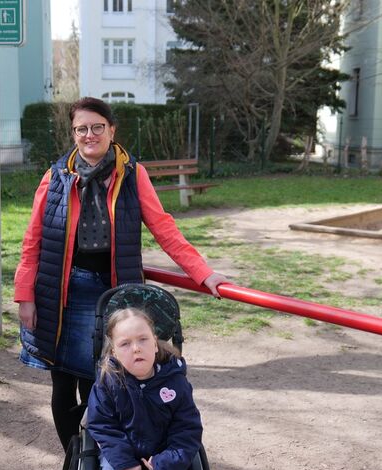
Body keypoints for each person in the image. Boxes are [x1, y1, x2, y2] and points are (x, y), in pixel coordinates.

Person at [14, 96, 227, 452]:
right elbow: (33, 239)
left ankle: (103, 456)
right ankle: (76, 464)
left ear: (112, 130)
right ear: (73, 133)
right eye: (81, 128)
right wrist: (25, 295)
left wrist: (203, 274)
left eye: (97, 127)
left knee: (105, 382)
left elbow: (165, 228)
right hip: (63, 293)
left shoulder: (132, 174)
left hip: (114, 293)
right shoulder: (55, 176)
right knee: (63, 382)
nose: (89, 135)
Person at [87, 307, 202, 470]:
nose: (136, 348)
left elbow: (187, 429)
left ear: (156, 344)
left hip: (164, 451)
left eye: (143, 340)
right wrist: (125, 461)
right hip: (121, 453)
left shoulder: (175, 381)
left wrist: (167, 460)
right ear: (114, 352)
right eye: (125, 344)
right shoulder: (108, 382)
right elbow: (101, 425)